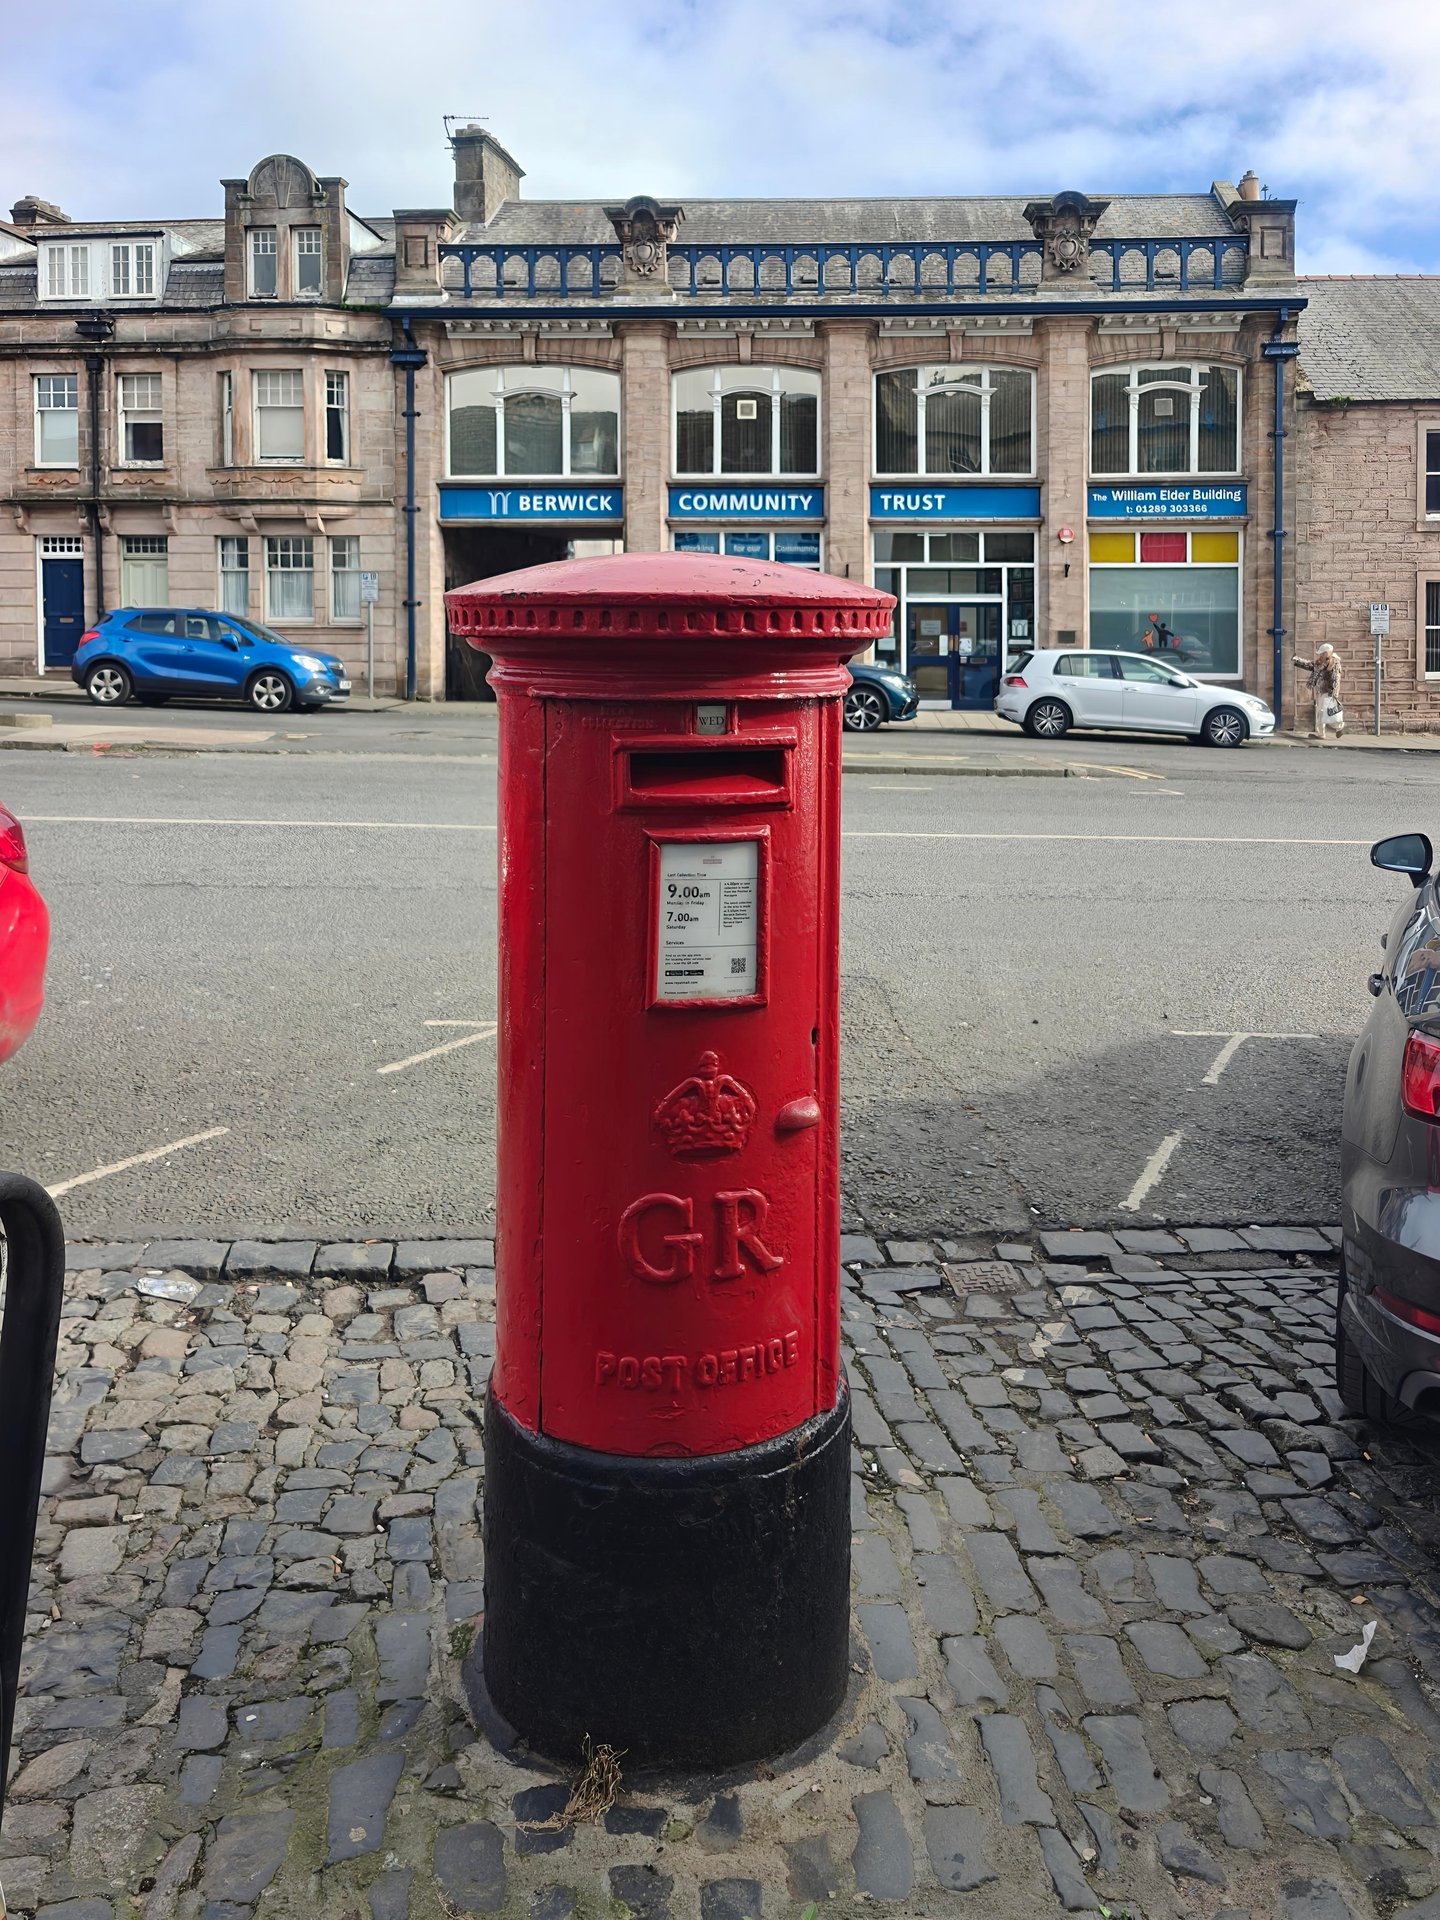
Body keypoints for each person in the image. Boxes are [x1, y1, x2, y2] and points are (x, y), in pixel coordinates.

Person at [1293, 642, 1345, 740]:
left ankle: (1327, 731)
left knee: (1324, 712)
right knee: (1323, 712)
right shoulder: (1321, 662)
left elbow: (1335, 679)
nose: (1320, 655)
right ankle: (1334, 728)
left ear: (1327, 653)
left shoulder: (1334, 663)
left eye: (1322, 653)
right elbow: (1310, 665)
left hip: (1328, 692)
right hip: (1321, 691)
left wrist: (1333, 693)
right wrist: (1297, 660)